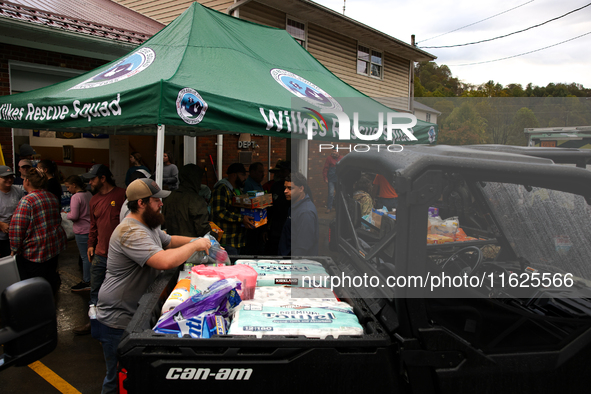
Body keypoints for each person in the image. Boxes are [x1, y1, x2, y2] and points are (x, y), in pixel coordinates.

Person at [94, 178, 211, 394]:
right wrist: (195, 245)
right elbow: (164, 260)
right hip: (118, 319)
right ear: (141, 203)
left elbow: (169, 240)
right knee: (118, 379)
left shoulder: (147, 225)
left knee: (135, 377)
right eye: (157, 200)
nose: (161, 204)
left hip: (135, 312)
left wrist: (201, 239)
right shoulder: (130, 231)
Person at [74, 164, 126, 336]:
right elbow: (93, 225)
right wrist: (90, 244)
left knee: (119, 291)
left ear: (103, 178)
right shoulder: (94, 199)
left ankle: (117, 325)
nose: (90, 182)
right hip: (100, 253)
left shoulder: (122, 195)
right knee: (95, 289)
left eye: (93, 178)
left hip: (119, 256)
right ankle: (93, 323)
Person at [9, 167, 66, 295]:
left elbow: (18, 228)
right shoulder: (51, 197)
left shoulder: (27, 201)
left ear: (27, 181)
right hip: (52, 249)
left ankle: (38, 310)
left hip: (35, 254)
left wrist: (14, 248)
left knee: (34, 286)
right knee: (49, 281)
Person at [210, 163, 255, 255]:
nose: (245, 178)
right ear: (234, 175)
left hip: (239, 240)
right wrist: (242, 218)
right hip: (226, 241)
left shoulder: (239, 189)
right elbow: (219, 212)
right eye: (242, 174)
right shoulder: (221, 189)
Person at [162, 164, 211, 237]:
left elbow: (162, 223)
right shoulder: (195, 200)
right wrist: (214, 234)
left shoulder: (169, 197)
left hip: (170, 243)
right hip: (191, 244)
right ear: (195, 179)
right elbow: (202, 228)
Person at [278, 172, 319, 256]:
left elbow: (303, 248)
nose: (285, 191)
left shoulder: (306, 213)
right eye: (285, 188)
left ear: (301, 188)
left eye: (290, 188)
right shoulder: (294, 205)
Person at [65, 175, 92, 292]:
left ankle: (87, 281)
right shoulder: (89, 194)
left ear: (74, 185)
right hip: (91, 229)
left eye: (68, 186)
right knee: (92, 256)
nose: (67, 189)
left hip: (81, 231)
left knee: (85, 257)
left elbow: (74, 216)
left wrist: (66, 214)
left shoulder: (76, 197)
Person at [265, 160, 291, 255]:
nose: (280, 174)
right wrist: (266, 228)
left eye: (283, 171)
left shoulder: (298, 188)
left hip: (289, 230)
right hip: (275, 229)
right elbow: (270, 209)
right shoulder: (275, 186)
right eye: (278, 171)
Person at [242, 162, 267, 255]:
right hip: (252, 223)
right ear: (252, 172)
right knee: (252, 249)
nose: (263, 174)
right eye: (260, 172)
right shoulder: (248, 185)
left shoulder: (258, 184)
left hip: (260, 222)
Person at [0, 166, 24, 257]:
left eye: (11, 177)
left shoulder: (18, 191)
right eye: (6, 177)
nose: (9, 180)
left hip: (16, 234)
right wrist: (1, 224)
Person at [323, 148, 342, 213]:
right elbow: (326, 168)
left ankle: (338, 207)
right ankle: (329, 208)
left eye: (335, 151)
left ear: (338, 152)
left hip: (339, 179)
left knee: (339, 194)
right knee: (331, 193)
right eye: (333, 151)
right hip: (331, 178)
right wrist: (325, 178)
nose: (334, 152)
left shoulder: (342, 158)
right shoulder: (329, 158)